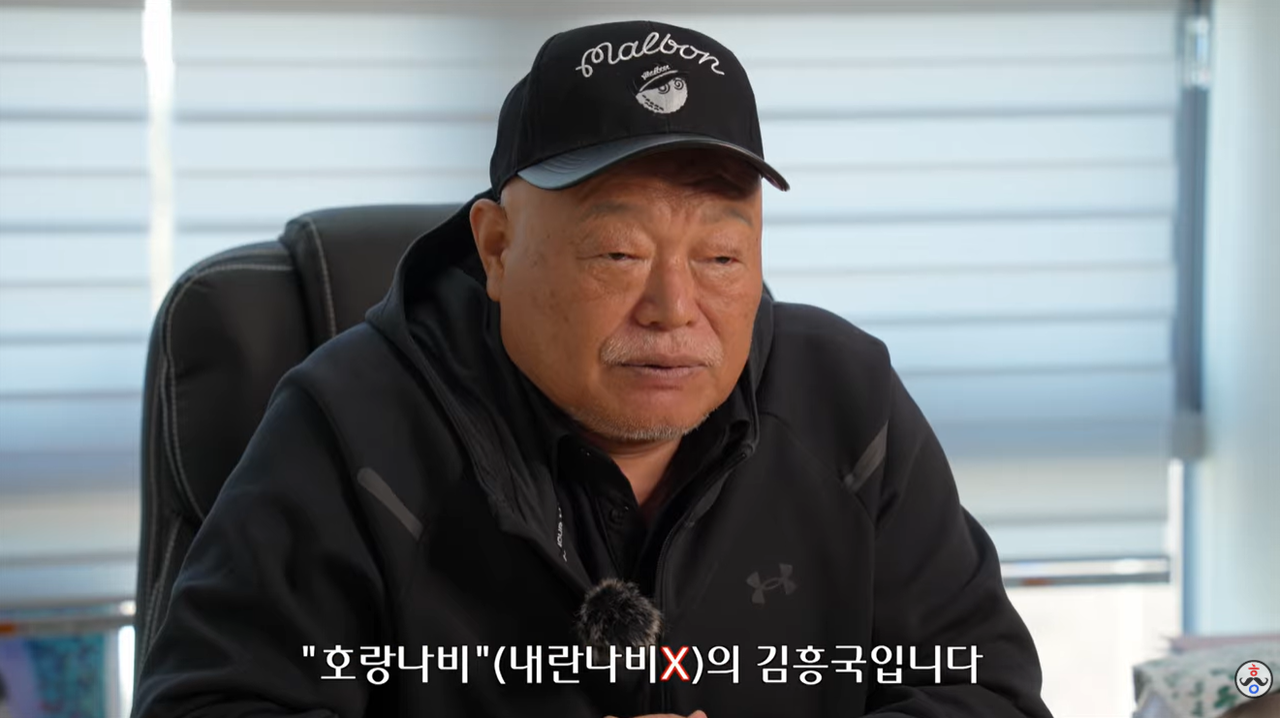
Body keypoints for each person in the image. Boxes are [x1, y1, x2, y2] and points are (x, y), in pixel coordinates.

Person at [133, 20, 1053, 718]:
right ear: (496, 249)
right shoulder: (351, 427)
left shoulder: (847, 401)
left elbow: (986, 689)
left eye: (721, 257)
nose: (674, 308)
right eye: (618, 254)